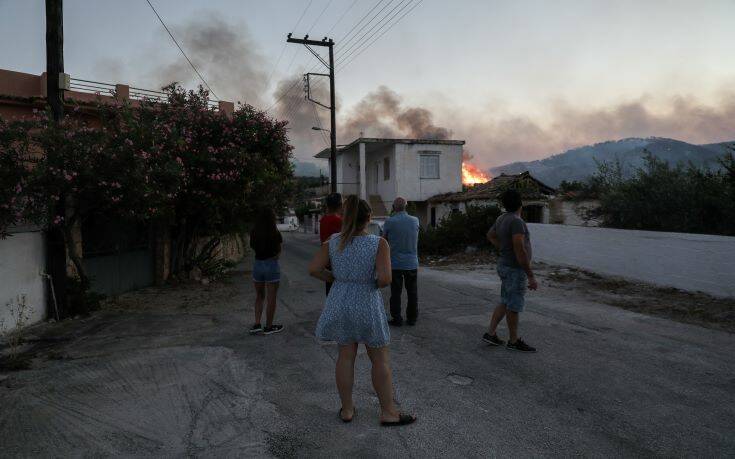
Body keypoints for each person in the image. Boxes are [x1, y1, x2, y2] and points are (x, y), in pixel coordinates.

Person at [309, 196, 417, 426]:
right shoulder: (378, 243)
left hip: (340, 300)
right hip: (366, 302)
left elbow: (314, 269)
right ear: (369, 218)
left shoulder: (333, 241)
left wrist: (337, 279)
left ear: (344, 217)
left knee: (345, 357)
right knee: (379, 359)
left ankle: (347, 409)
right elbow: (386, 279)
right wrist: (371, 282)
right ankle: (388, 412)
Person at [483, 189, 538, 352]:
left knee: (505, 300)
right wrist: (531, 276)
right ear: (520, 203)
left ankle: (490, 333)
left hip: (505, 265)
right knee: (513, 304)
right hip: (515, 268)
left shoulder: (502, 218)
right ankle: (513, 341)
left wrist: (502, 248)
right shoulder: (516, 221)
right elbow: (519, 248)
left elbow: (490, 235)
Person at [382, 197, 420, 327]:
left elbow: (383, 240)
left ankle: (397, 318)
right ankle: (412, 318)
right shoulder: (415, 220)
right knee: (412, 292)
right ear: (406, 206)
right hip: (411, 263)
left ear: (393, 207)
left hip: (395, 263)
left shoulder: (389, 222)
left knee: (396, 292)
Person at [248, 208, 284, 335]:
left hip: (258, 265)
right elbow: (279, 252)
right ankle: (269, 327)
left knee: (259, 296)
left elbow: (252, 247)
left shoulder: (254, 232)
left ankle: (257, 324)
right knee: (271, 298)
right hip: (271, 266)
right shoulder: (275, 232)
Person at [319, 192, 343, 295]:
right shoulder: (339, 221)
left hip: (327, 259)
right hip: (338, 260)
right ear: (340, 205)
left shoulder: (323, 220)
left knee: (329, 291)